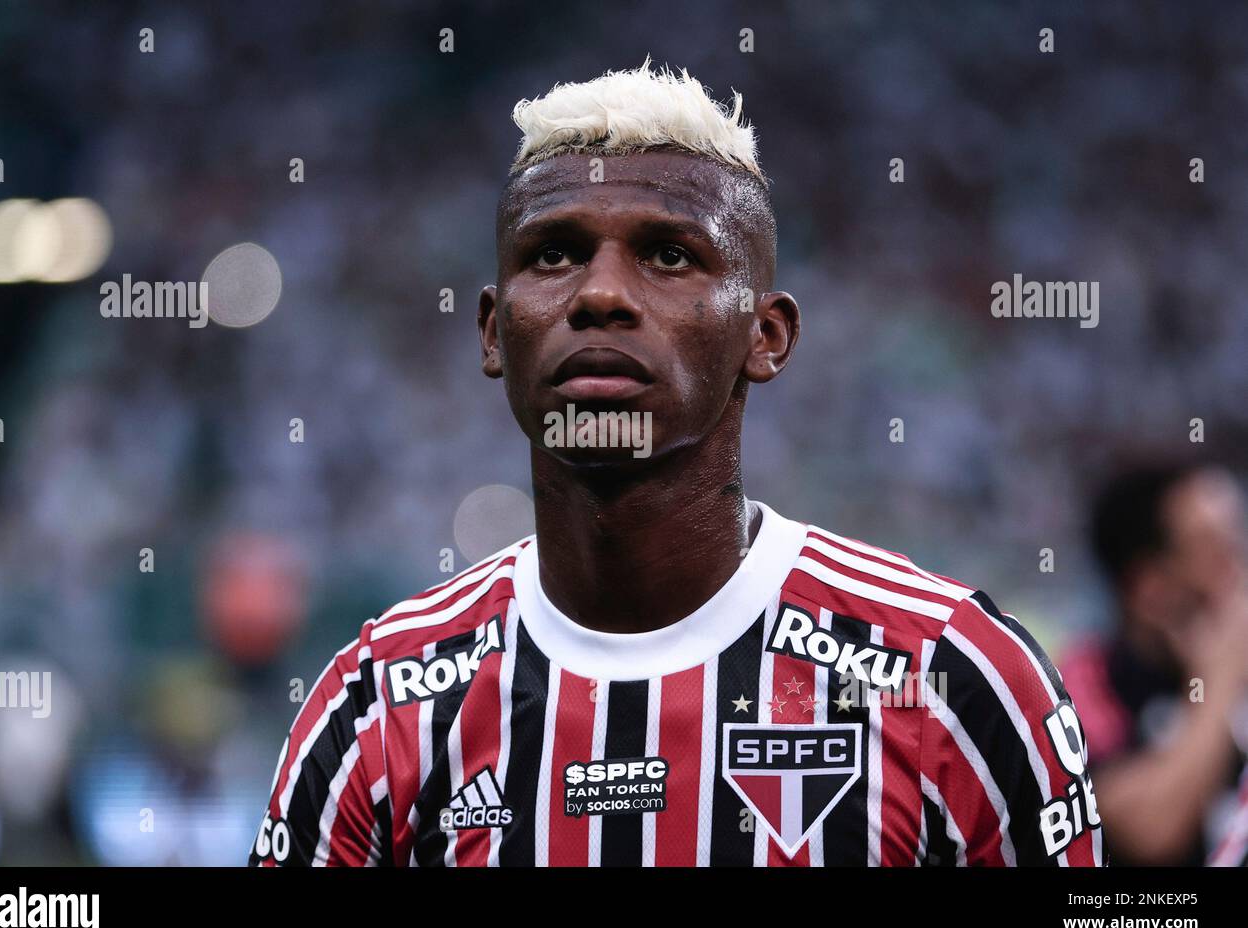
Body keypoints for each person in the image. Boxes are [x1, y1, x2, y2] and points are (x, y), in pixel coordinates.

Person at [249, 62, 1103, 867]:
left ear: (765, 336)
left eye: (668, 255)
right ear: (491, 331)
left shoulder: (948, 676)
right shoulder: (380, 707)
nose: (601, 294)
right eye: (553, 253)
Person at [1059, 462, 1248, 865]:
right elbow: (1149, 831)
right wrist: (1218, 681)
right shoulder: (1086, 681)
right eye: (1215, 552)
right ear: (1149, 587)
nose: (1237, 575)